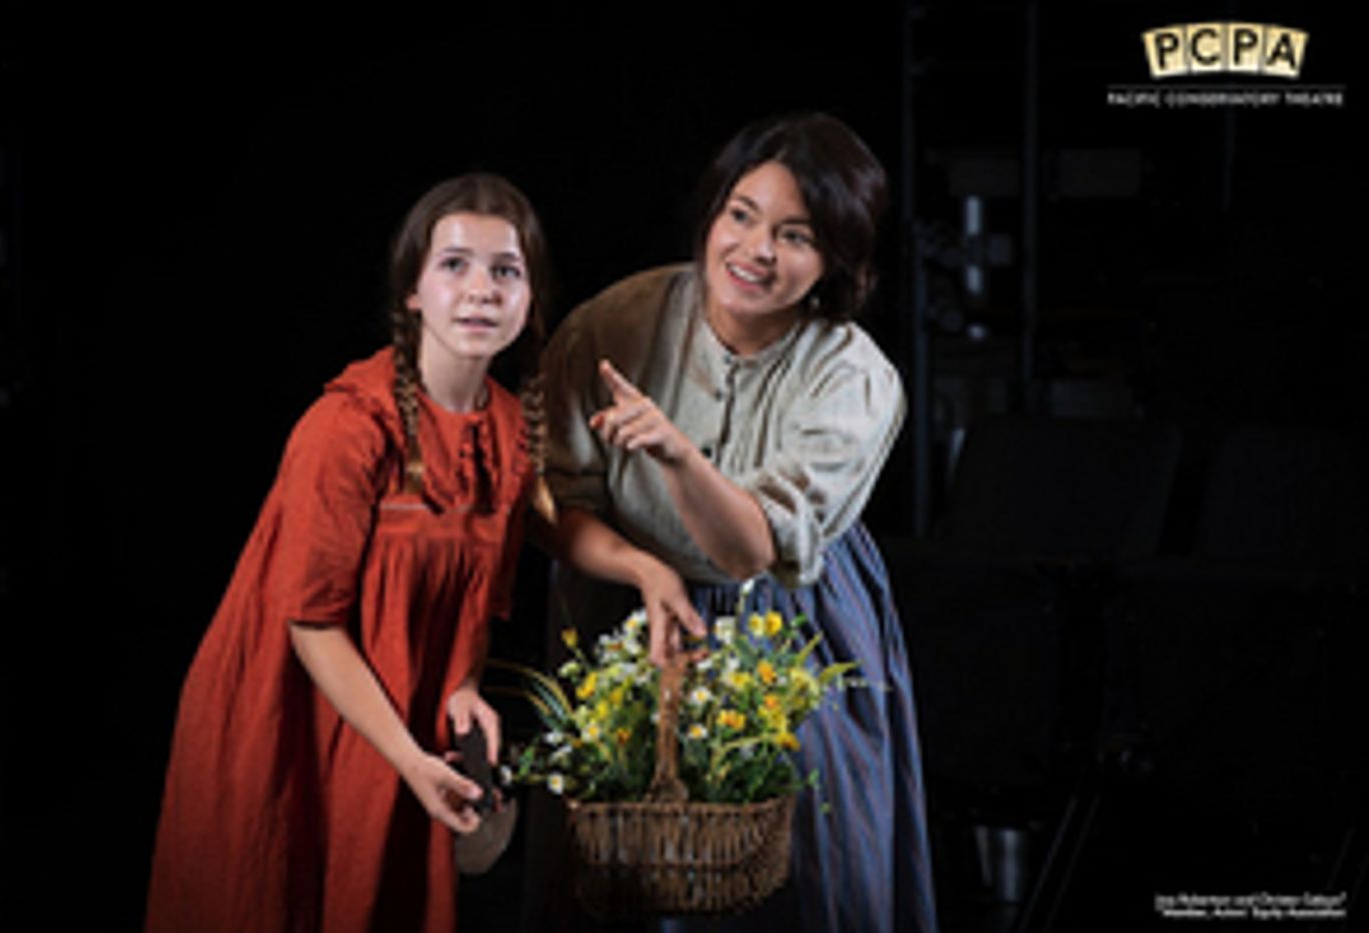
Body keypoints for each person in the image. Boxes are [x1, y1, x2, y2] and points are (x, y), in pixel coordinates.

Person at [540, 113, 938, 933]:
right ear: (712, 214)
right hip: (625, 607)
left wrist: (677, 455)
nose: (757, 250)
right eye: (741, 215)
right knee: (613, 876)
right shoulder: (613, 322)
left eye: (796, 235)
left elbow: (751, 546)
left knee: (802, 878)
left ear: (835, 260)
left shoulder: (853, 376)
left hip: (791, 623)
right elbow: (552, 503)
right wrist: (645, 570)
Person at [145, 173, 553, 933]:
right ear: (412, 293)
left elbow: (477, 601)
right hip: (294, 711)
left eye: (506, 270)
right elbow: (310, 624)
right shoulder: (347, 427)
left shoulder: (512, 431)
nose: (481, 289)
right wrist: (406, 756)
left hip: (406, 726)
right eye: (454, 265)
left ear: (529, 300)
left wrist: (464, 686)